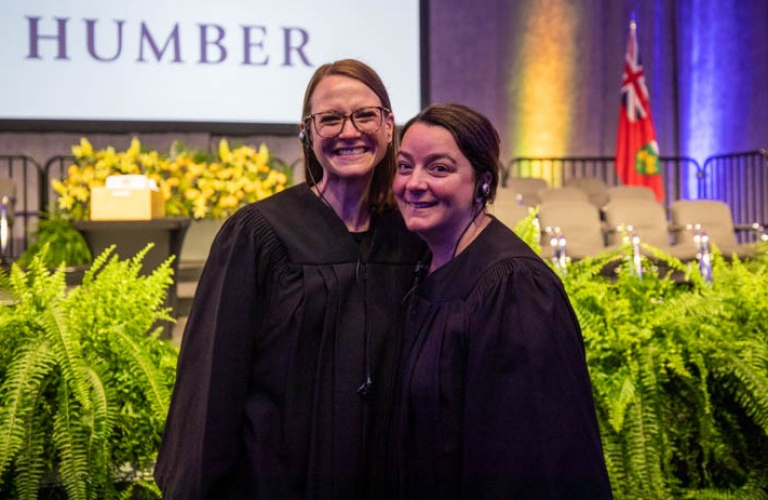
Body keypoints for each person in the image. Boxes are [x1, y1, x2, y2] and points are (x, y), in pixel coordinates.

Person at [154, 59, 425, 499]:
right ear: (307, 132)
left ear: (389, 125)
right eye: (330, 119)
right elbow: (212, 383)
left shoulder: (411, 239)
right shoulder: (259, 235)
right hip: (277, 482)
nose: (349, 131)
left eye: (365, 115)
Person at [388, 103, 612, 498]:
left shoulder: (515, 288)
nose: (414, 183)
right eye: (405, 166)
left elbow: (533, 459)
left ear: (484, 183)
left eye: (438, 168)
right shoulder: (424, 266)